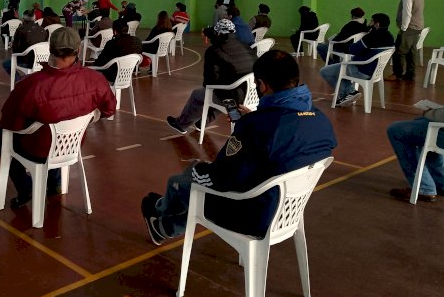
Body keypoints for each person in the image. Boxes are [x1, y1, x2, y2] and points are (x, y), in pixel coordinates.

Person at [143, 50, 337, 245]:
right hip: (286, 211)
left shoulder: (257, 127)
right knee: (195, 185)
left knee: (183, 181)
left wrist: (197, 168)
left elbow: (220, 176)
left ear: (262, 85)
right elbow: (281, 134)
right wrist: (254, 119)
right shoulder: (320, 120)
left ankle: (160, 213)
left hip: (250, 215)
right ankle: (164, 223)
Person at [0, 27, 117, 207]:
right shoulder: (96, 79)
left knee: (0, 135)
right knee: (55, 128)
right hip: (72, 145)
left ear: (50, 49)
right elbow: (109, 110)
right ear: (78, 49)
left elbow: (10, 123)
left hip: (38, 149)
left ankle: (25, 187)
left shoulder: (31, 85)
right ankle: (54, 183)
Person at [166, 19, 257, 134]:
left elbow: (209, 82)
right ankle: (203, 122)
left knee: (200, 94)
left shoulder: (214, 51)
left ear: (217, 34)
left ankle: (181, 124)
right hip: (252, 96)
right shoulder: (247, 47)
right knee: (223, 91)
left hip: (233, 100)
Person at [387, 83, 444, 202]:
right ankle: (440, 182)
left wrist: (430, 113)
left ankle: (424, 188)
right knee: (420, 125)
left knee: (396, 131)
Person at [319, 13, 395, 106]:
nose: (369, 23)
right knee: (339, 70)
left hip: (360, 70)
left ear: (377, 24)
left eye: (371, 21)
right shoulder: (390, 37)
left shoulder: (371, 36)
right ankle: (346, 95)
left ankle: (350, 92)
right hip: (376, 72)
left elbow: (353, 50)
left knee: (325, 71)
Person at [387, 0, 425, 82]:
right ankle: (410, 74)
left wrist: (403, 29)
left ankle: (397, 74)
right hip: (417, 27)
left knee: (399, 51)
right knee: (411, 52)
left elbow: (407, 14)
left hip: (409, 28)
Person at [2, 10, 47, 82]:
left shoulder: (21, 30)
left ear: (23, 19)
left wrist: (12, 45)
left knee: (6, 64)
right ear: (34, 18)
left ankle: (19, 80)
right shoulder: (42, 29)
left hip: (27, 61)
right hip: (42, 60)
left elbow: (15, 49)